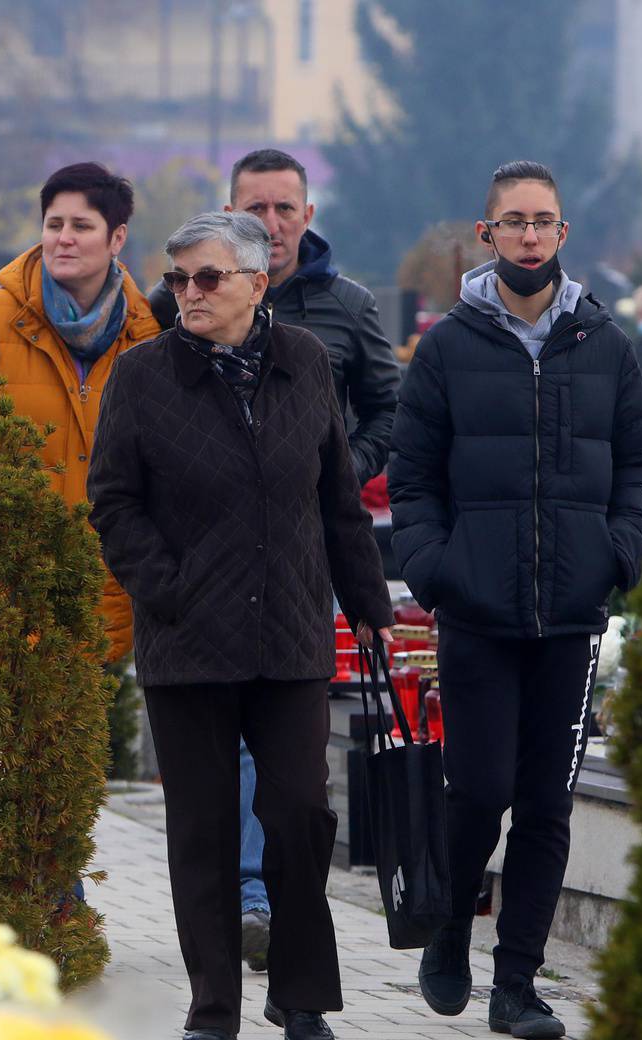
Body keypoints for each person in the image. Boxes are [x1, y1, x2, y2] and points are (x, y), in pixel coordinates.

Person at [88, 212, 393, 1040]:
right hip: (188, 641)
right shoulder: (144, 376)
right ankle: (212, 1002)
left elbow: (337, 498)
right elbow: (112, 500)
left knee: (299, 814)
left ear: (258, 284)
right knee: (203, 826)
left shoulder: (305, 364)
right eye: (179, 278)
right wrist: (169, 589)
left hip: (290, 631)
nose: (189, 293)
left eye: (208, 278)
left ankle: (302, 997)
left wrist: (370, 605)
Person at [388, 161, 642, 1040]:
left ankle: (517, 981)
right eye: (515, 222)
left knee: (547, 802)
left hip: (572, 615)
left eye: (544, 221)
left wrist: (618, 556)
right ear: (489, 234)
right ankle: (448, 934)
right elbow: (414, 477)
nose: (531, 236)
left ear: (563, 235)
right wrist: (436, 567)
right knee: (478, 792)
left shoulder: (606, 345)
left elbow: (640, 467)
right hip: (477, 610)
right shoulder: (449, 349)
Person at [149, 148, 401, 974]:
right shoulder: (171, 316)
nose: (271, 221)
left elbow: (375, 420)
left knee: (298, 792)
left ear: (306, 218)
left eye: (284, 208)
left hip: (294, 577)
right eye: (253, 207)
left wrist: (347, 466)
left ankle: (295, 968)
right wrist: (162, 580)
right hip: (202, 593)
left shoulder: (341, 313)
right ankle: (236, 935)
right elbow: (127, 475)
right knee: (218, 787)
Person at [0, 161, 161, 664]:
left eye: (81, 226)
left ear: (116, 238)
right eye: (54, 225)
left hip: (104, 581)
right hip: (10, 575)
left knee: (91, 736)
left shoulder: (144, 332)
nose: (64, 239)